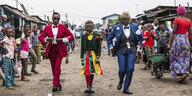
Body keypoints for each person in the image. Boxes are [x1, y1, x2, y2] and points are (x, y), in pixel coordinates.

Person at [107, 12, 143, 94]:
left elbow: (141, 36)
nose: (125, 21)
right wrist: (111, 47)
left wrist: (138, 46)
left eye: (127, 19)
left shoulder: (135, 26)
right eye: (123, 19)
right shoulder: (116, 28)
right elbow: (109, 38)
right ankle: (120, 80)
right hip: (121, 51)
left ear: (129, 20)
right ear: (121, 20)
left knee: (130, 69)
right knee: (122, 70)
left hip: (132, 50)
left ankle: (126, 88)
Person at [39, 12, 74, 92]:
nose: (56, 20)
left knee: (57, 67)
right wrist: (47, 39)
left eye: (58, 18)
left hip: (59, 49)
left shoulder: (63, 27)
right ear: (52, 18)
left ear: (59, 19)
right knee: (53, 67)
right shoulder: (47, 28)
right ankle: (58, 84)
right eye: (55, 18)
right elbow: (41, 37)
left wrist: (62, 39)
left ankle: (55, 85)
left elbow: (71, 36)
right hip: (51, 49)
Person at [168, 6, 192, 83]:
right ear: (184, 12)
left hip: (178, 40)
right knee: (185, 57)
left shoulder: (176, 20)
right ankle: (184, 73)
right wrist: (191, 44)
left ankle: (181, 73)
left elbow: (173, 32)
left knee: (174, 57)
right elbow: (191, 34)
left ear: (178, 12)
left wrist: (169, 43)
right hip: (185, 40)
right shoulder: (189, 21)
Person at [80, 20, 103, 93]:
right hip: (86, 54)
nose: (89, 28)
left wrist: (98, 57)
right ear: (85, 28)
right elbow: (82, 48)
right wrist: (82, 58)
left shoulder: (97, 36)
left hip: (94, 55)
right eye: (87, 27)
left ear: (93, 27)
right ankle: (88, 86)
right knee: (87, 70)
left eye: (90, 26)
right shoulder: (83, 36)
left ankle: (90, 85)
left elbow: (99, 47)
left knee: (92, 70)